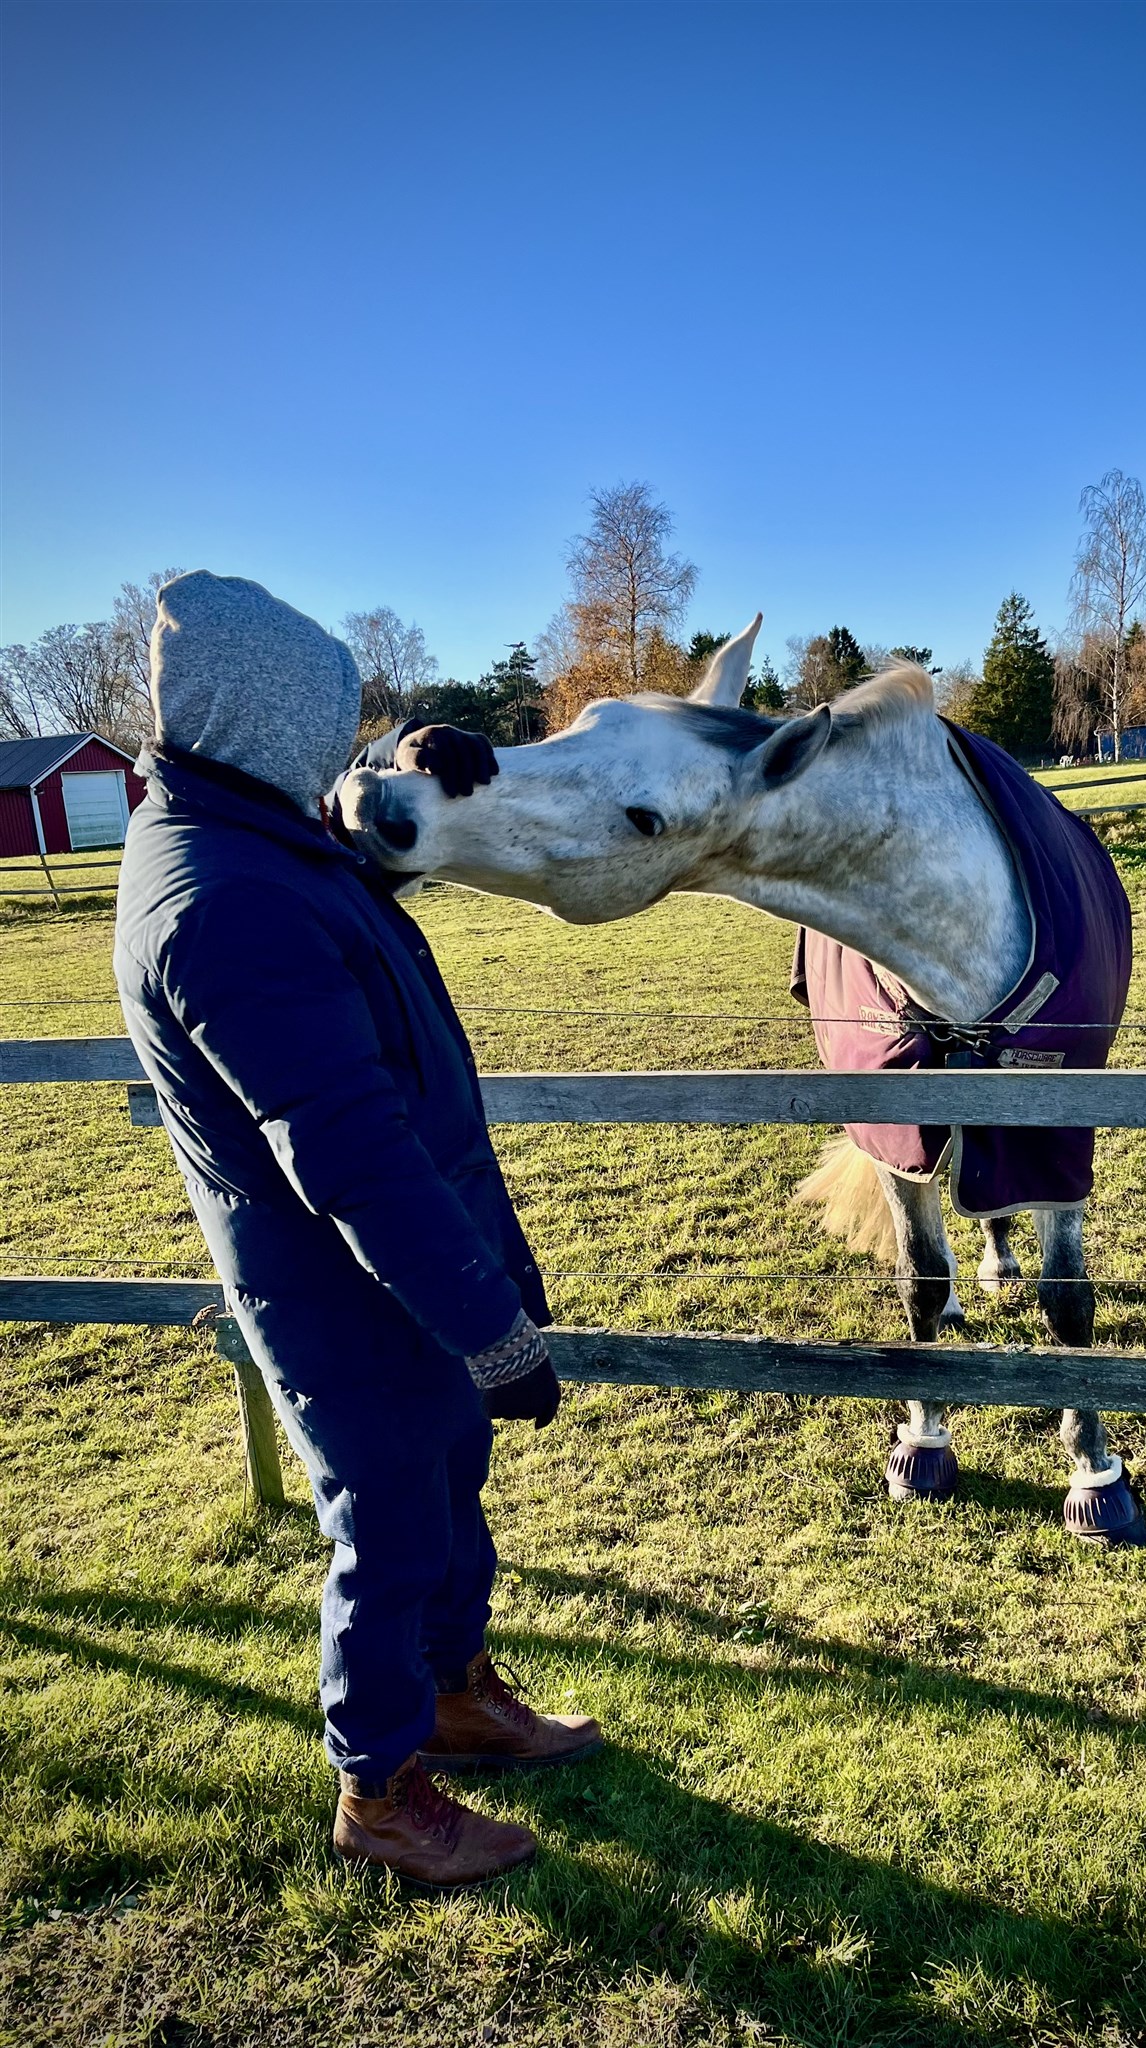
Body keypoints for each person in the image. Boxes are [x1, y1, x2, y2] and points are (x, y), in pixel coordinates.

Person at [113, 571, 598, 1886]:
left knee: (444, 1486)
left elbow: (346, 851)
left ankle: (453, 1691)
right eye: (325, 726)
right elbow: (350, 1155)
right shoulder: (221, 899)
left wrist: (397, 760)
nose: (337, 750)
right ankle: (377, 1792)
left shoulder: (247, 831)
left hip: (401, 1266)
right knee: (387, 1523)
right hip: (343, 1283)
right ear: (259, 722)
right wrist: (490, 1327)